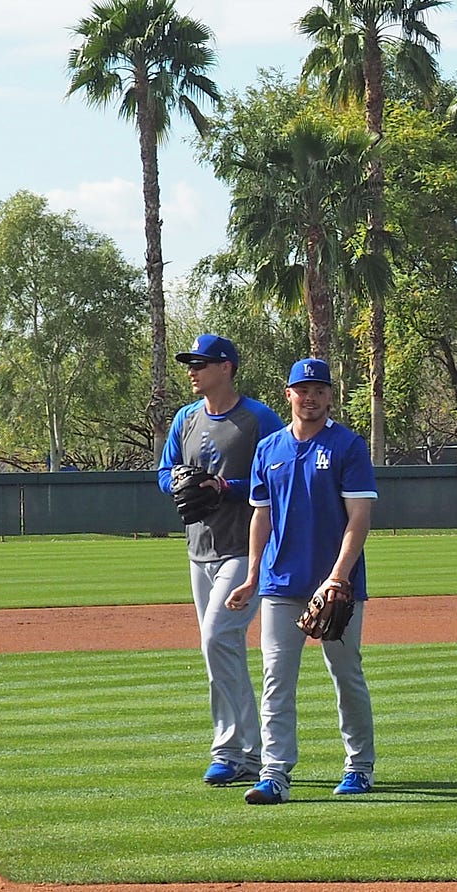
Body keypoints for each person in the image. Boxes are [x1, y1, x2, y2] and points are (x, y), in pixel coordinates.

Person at [224, 358, 378, 803]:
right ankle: (274, 772)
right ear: (288, 394)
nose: (309, 396)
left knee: (346, 674)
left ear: (330, 396)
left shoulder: (348, 446)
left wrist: (337, 577)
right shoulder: (270, 449)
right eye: (301, 389)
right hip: (280, 583)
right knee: (276, 678)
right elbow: (262, 516)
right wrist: (252, 575)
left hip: (338, 586)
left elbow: (359, 519)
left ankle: (359, 765)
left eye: (318, 389)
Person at [157, 333, 285, 787]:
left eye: (201, 363)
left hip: (245, 549)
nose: (192, 370)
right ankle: (232, 752)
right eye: (190, 363)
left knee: (216, 639)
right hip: (199, 550)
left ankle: (246, 751)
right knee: (219, 651)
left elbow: (278, 475)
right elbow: (164, 470)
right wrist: (177, 482)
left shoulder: (258, 419)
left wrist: (225, 488)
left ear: (226, 367)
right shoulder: (186, 418)